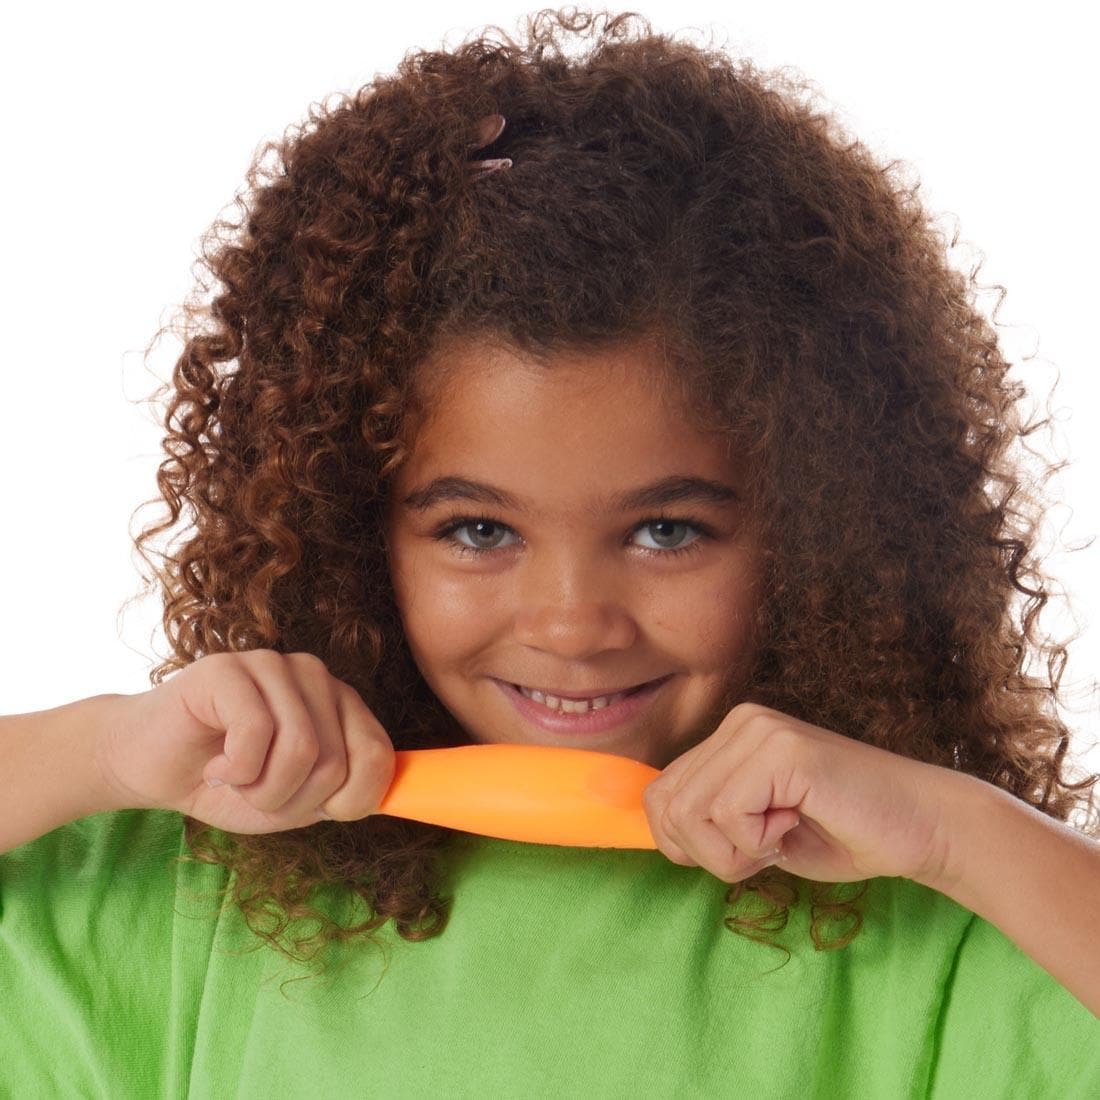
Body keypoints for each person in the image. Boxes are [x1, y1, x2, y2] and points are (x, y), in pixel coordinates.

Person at [2, 7, 1098, 1095]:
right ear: (352, 532)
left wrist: (959, 832)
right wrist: (103, 750)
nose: (572, 621)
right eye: (478, 530)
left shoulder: (942, 929)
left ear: (818, 533)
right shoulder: (205, 890)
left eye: (666, 530)